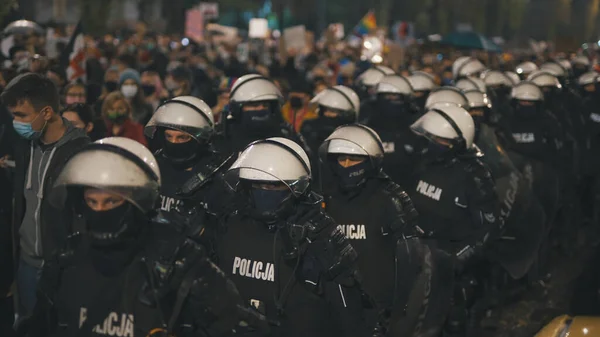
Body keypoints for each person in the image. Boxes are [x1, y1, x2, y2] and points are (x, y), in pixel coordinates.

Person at [21, 137, 267, 337]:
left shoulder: (177, 261)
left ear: (137, 203)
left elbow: (241, 326)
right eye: (91, 202)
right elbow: (40, 324)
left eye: (112, 202)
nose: (100, 211)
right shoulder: (69, 257)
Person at [216, 137, 367, 337]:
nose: (264, 192)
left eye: (274, 186)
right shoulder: (230, 226)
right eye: (258, 185)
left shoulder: (319, 236)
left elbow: (351, 320)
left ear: (297, 189)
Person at [0, 73, 90, 318]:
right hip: (25, 266)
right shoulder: (23, 145)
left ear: (47, 113)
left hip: (62, 270)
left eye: (22, 116)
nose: (16, 122)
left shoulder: (80, 152)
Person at [406, 103, 501, 336]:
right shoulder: (424, 163)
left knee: (453, 319)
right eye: (431, 138)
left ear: (457, 143)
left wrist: (455, 259)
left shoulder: (475, 176)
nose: (433, 144)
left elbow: (487, 229)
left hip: (451, 265)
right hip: (416, 258)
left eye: (441, 140)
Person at [318, 124, 422, 334]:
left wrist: (399, 308)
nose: (346, 165)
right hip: (334, 301)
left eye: (354, 159)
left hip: (378, 307)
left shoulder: (390, 200)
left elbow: (411, 258)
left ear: (371, 161)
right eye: (341, 159)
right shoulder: (327, 197)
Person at [144, 96, 228, 219]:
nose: (173, 142)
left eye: (182, 137)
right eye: (168, 136)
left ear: (200, 139)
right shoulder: (154, 170)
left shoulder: (215, 178)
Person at [216, 74, 308, 156]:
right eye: (254, 105)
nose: (260, 109)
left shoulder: (285, 134)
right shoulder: (225, 137)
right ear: (237, 109)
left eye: (265, 105)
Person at [363, 75, 427, 186]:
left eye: (395, 96)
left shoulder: (415, 127)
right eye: (386, 96)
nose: (390, 99)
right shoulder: (368, 125)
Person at [300, 85, 360, 155]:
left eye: (332, 111)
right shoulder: (310, 127)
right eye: (325, 109)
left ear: (346, 114)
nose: (327, 114)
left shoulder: (352, 135)